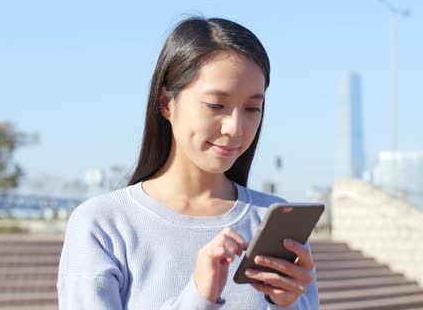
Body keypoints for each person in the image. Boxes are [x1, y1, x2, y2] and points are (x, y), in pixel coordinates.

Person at [57, 17, 319, 309]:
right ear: (166, 102)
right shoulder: (103, 224)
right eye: (216, 105)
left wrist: (287, 304)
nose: (236, 127)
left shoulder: (270, 222)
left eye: (252, 108)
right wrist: (198, 297)